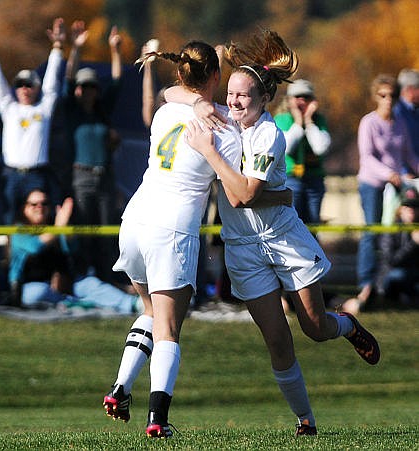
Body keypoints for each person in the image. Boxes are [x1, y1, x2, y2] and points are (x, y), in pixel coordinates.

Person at [179, 29, 380, 437]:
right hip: (242, 248)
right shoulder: (225, 119)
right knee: (277, 340)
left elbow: (242, 196)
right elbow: (172, 96)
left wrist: (210, 152)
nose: (233, 102)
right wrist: (199, 99)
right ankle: (306, 422)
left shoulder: (269, 134)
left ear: (263, 100)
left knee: (315, 328)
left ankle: (348, 327)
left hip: (283, 241)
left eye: (243, 96)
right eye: (230, 94)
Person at [102, 40, 290, 438]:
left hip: (133, 221)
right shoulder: (225, 125)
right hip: (172, 229)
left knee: (151, 312)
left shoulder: (166, 110)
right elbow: (242, 189)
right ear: (217, 79)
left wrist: (197, 94)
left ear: (181, 75)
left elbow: (172, 94)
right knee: (169, 328)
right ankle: (158, 419)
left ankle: (120, 388)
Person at [0, 18, 66, 224]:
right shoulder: (9, 108)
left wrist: (58, 46)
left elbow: (52, 82)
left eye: (30, 84)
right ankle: (11, 256)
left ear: (36, 87)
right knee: (9, 221)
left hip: (37, 174)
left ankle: (42, 255)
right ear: (15, 88)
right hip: (11, 175)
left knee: (41, 221)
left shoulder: (43, 109)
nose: (25, 88)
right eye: (20, 84)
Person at [60, 22, 123, 285]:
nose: (86, 91)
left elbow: (118, 81)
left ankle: (108, 276)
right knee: (84, 228)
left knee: (108, 228)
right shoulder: (71, 112)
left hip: (105, 175)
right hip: (81, 176)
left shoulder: (102, 111)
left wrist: (115, 50)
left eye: (91, 87)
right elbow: (67, 78)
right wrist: (75, 47)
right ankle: (84, 276)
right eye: (83, 87)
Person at [9, 188, 139, 314]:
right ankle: (79, 303)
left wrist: (65, 230)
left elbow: (71, 249)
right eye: (34, 204)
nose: (40, 207)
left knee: (91, 284)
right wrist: (58, 228)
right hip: (33, 286)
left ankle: (134, 304)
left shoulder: (55, 224)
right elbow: (35, 246)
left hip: (66, 283)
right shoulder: (19, 229)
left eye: (44, 203)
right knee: (35, 294)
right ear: (24, 208)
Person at [351, 73, 419, 312]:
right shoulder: (368, 122)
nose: (387, 100)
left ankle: (386, 285)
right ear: (375, 97)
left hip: (396, 186)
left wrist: (414, 173)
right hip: (372, 184)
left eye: (391, 95)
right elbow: (367, 158)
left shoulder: (399, 123)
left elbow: (408, 154)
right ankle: (365, 285)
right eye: (382, 95)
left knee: (392, 235)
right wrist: (389, 173)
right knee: (371, 233)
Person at [274, 79, 331, 225]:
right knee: (291, 224)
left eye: (306, 97)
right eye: (297, 97)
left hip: (314, 180)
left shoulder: (318, 121)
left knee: (312, 226)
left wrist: (309, 121)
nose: (302, 101)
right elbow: (285, 148)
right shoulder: (281, 119)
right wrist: (298, 123)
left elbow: (320, 148)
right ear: (289, 100)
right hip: (290, 179)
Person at [376, 186, 419, 308]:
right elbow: (391, 261)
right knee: (399, 274)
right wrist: (413, 244)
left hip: (413, 274)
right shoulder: (391, 230)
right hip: (392, 275)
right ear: (400, 209)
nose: (411, 210)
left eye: (415, 206)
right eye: (407, 206)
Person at [394, 68, 419, 164]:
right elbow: (397, 146)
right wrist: (404, 171)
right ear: (410, 90)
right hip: (405, 174)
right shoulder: (397, 112)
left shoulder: (415, 110)